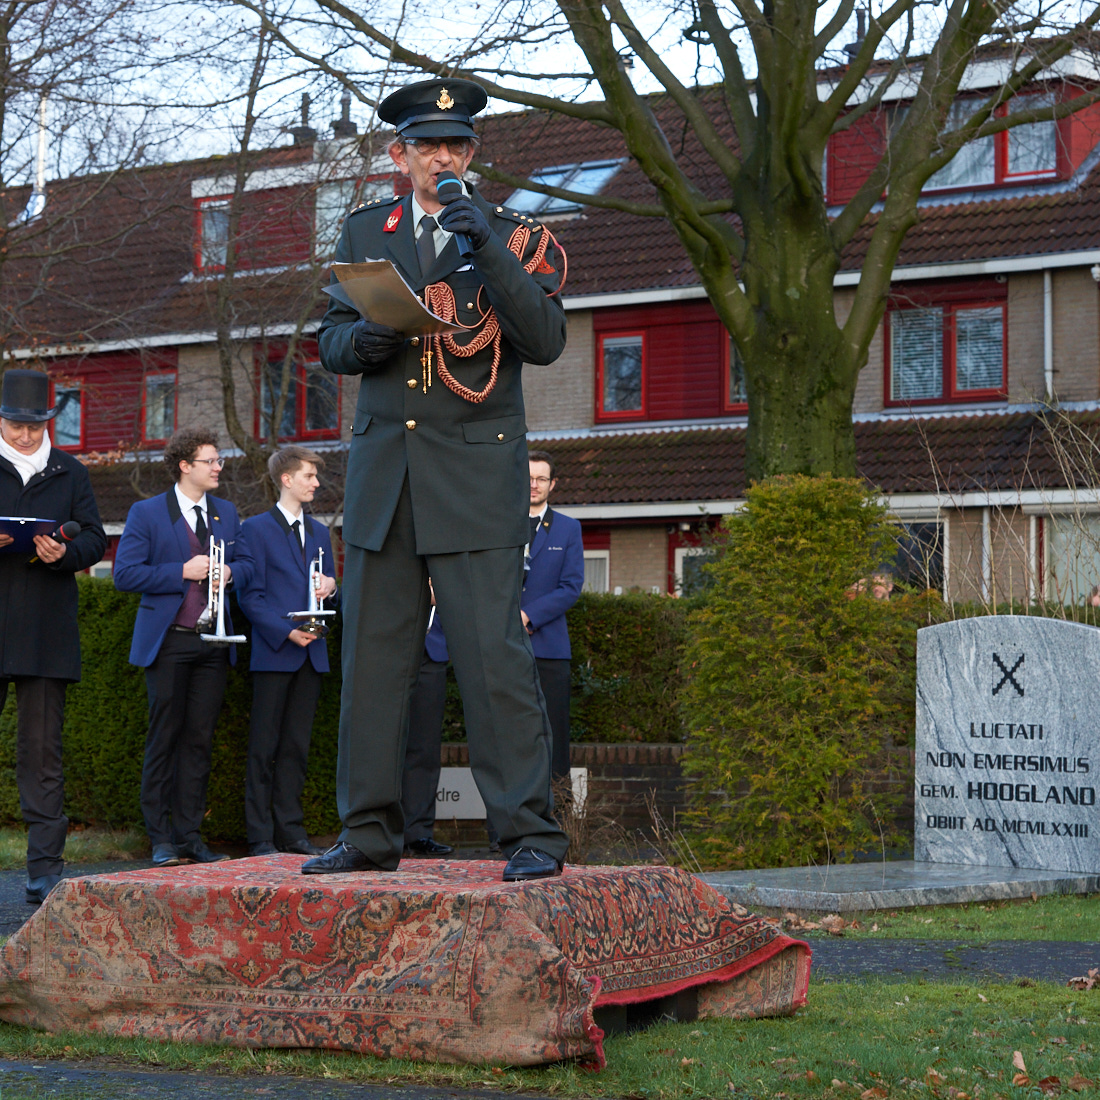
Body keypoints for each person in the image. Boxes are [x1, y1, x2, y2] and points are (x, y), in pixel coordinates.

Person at [308, 77, 570, 882]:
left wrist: (483, 244)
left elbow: (545, 338)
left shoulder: (513, 234)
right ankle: (368, 833)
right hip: (386, 480)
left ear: (471, 156)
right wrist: (366, 347)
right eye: (429, 146)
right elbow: (332, 340)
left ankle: (528, 834)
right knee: (373, 667)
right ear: (401, 156)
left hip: (475, 476)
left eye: (457, 146)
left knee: (493, 662)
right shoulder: (364, 227)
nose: (444, 157)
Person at [113, 429, 253, 867]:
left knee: (199, 742)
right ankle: (160, 839)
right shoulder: (147, 512)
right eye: (210, 461)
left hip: (214, 643)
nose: (218, 468)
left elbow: (249, 566)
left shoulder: (226, 513)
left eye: (219, 462)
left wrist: (228, 572)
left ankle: (189, 836)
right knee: (165, 739)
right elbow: (125, 575)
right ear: (185, 466)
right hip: (169, 643)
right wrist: (183, 570)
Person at [0, 370, 107, 905]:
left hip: (47, 632)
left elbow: (95, 538)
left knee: (42, 757)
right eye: (16, 424)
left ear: (48, 421)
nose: (24, 435)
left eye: (35, 425)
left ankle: (44, 871)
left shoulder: (70, 471)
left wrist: (66, 554)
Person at [238, 446, 337, 858]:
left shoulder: (318, 532)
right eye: (309, 475)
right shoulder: (255, 529)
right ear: (287, 479)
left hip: (312, 653)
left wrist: (333, 588)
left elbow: (334, 592)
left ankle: (291, 833)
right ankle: (259, 836)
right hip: (275, 652)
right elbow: (249, 596)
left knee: (297, 747)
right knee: (264, 747)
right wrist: (286, 632)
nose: (316, 483)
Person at [523, 451, 584, 782]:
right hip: (506, 649)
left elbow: (571, 588)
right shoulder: (499, 525)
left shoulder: (568, 529)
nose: (534, 485)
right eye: (529, 478)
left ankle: (558, 818)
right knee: (510, 736)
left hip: (550, 650)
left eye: (541, 479)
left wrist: (527, 615)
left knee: (554, 737)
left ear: (553, 484)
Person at [400, 602, 455, 858]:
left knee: (426, 748)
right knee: (383, 746)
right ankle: (378, 831)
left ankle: (418, 833)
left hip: (433, 651)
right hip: (392, 649)